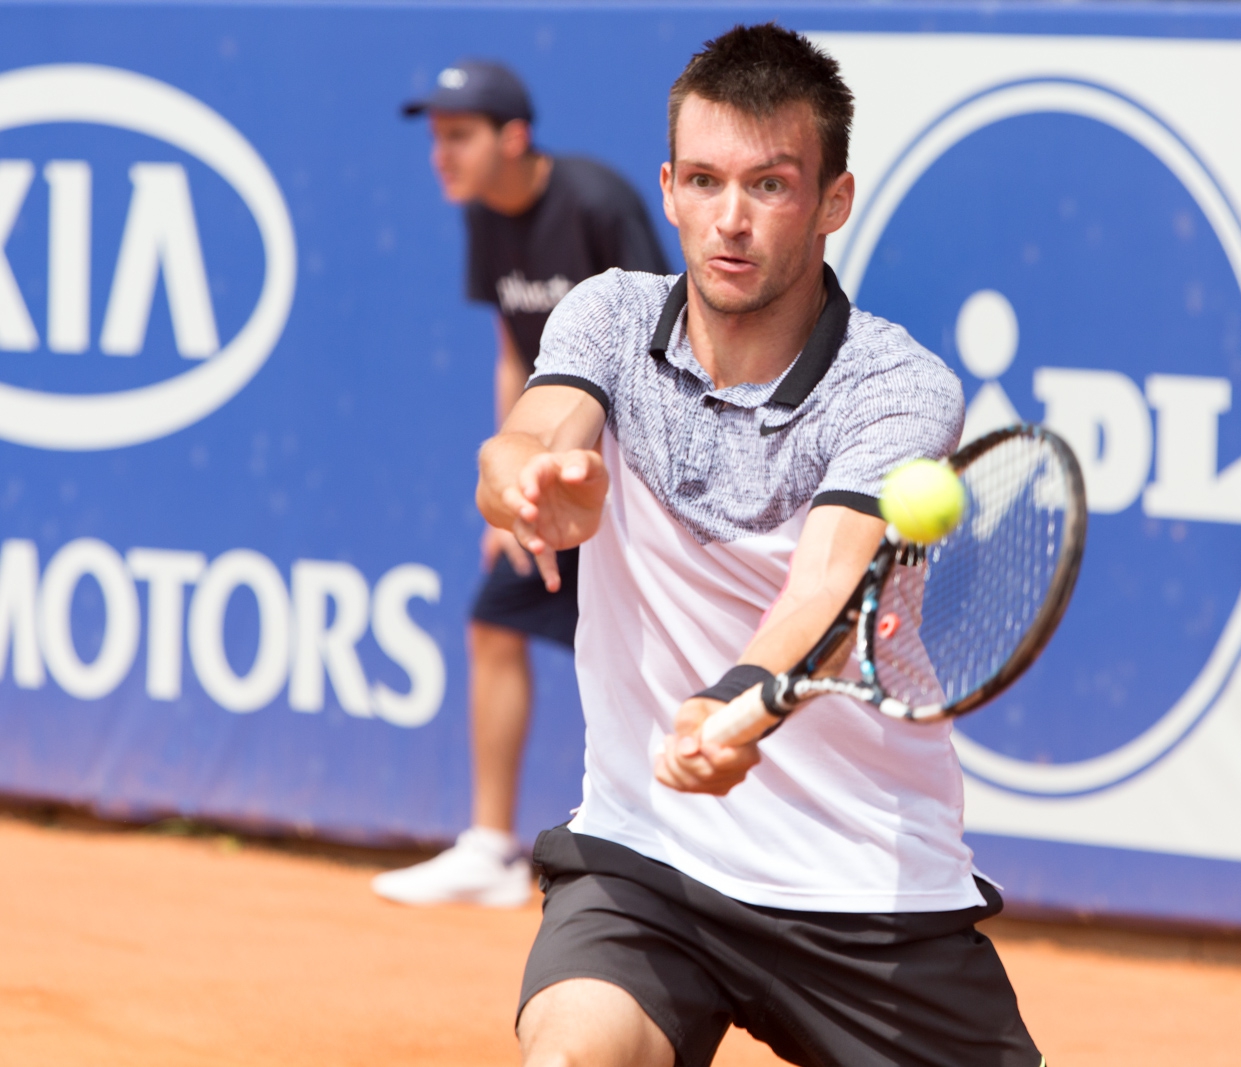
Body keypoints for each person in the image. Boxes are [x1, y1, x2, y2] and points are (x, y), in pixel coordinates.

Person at [477, 24, 1044, 1067]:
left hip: (864, 889)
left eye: (770, 186)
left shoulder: (894, 387)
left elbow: (828, 584)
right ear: (668, 187)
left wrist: (735, 701)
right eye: (703, 180)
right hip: (646, 860)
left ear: (833, 200)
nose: (728, 221)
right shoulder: (605, 316)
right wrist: (524, 482)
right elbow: (532, 433)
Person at [374, 59, 670, 908]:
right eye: (436, 138)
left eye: (458, 135)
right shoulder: (484, 217)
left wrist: (621, 483)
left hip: (629, 481)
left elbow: (662, 339)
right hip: (550, 471)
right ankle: (491, 848)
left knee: (657, 662)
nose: (442, 154)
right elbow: (516, 352)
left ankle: (673, 858)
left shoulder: (597, 203)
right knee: (494, 620)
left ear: (514, 137)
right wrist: (512, 476)